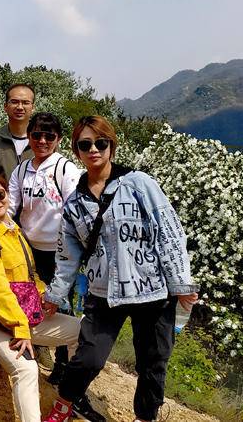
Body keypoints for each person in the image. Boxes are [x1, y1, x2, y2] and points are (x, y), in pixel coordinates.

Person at [42, 116, 199, 422]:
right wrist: (55, 294)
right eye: (85, 144)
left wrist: (182, 284)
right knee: (89, 357)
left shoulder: (139, 183)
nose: (94, 150)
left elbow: (168, 231)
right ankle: (65, 403)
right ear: (77, 150)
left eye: (101, 143)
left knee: (153, 361)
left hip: (152, 289)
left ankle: (145, 416)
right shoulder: (75, 203)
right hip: (104, 291)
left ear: (111, 146)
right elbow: (67, 256)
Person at [0, 173, 102, 422]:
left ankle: (71, 398)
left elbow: (31, 276)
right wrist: (21, 328)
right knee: (27, 368)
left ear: (7, 195)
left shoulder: (14, 231)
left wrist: (43, 297)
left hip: (23, 314)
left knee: (83, 331)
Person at [8, 112, 83, 382]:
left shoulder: (65, 169)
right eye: (36, 135)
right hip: (28, 248)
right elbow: (10, 207)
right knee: (30, 299)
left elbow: (76, 211)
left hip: (60, 251)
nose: (42, 141)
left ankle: (64, 366)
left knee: (60, 304)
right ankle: (37, 349)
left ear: (58, 139)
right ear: (28, 137)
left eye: (49, 136)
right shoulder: (21, 170)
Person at [0, 83, 36, 180]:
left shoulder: (46, 140)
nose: (19, 107)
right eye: (14, 102)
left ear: (33, 108)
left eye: (25, 103)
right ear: (5, 106)